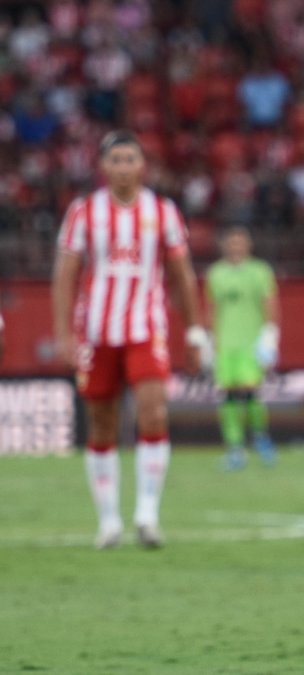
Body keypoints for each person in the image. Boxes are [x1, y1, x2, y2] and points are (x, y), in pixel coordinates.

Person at [51, 130, 209, 549]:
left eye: (130, 159)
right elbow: (66, 274)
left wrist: (194, 331)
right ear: (103, 167)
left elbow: (182, 275)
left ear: (143, 166)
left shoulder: (163, 212)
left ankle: (147, 515)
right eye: (115, 160)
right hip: (96, 332)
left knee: (152, 412)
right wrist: (64, 333)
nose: (123, 167)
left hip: (146, 329)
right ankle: (108, 521)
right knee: (102, 422)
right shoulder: (84, 212)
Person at [205, 226, 280, 469]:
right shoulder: (216, 274)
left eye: (240, 242)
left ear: (249, 245)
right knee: (227, 394)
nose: (236, 247)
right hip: (226, 344)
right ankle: (234, 448)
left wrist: (269, 336)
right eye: (232, 242)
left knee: (250, 392)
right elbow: (211, 309)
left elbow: (270, 304)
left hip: (251, 342)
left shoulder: (260, 271)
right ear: (224, 246)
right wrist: (209, 340)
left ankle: (260, 437)